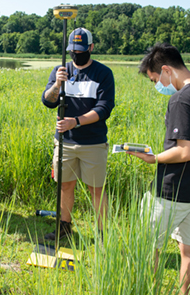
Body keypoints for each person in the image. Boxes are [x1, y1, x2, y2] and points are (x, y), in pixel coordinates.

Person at [129, 43, 190, 295]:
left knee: (146, 245)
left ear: (166, 70)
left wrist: (154, 158)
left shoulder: (181, 100)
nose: (157, 86)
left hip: (171, 191)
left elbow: (186, 151)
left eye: (154, 80)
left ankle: (146, 290)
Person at [41, 28, 115, 241]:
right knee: (65, 185)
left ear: (91, 48)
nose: (77, 54)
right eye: (73, 50)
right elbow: (47, 101)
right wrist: (57, 84)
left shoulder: (103, 73)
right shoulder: (60, 71)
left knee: (96, 189)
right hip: (64, 142)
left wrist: (76, 122)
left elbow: (104, 108)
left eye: (81, 50)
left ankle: (102, 234)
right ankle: (64, 226)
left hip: (93, 143)